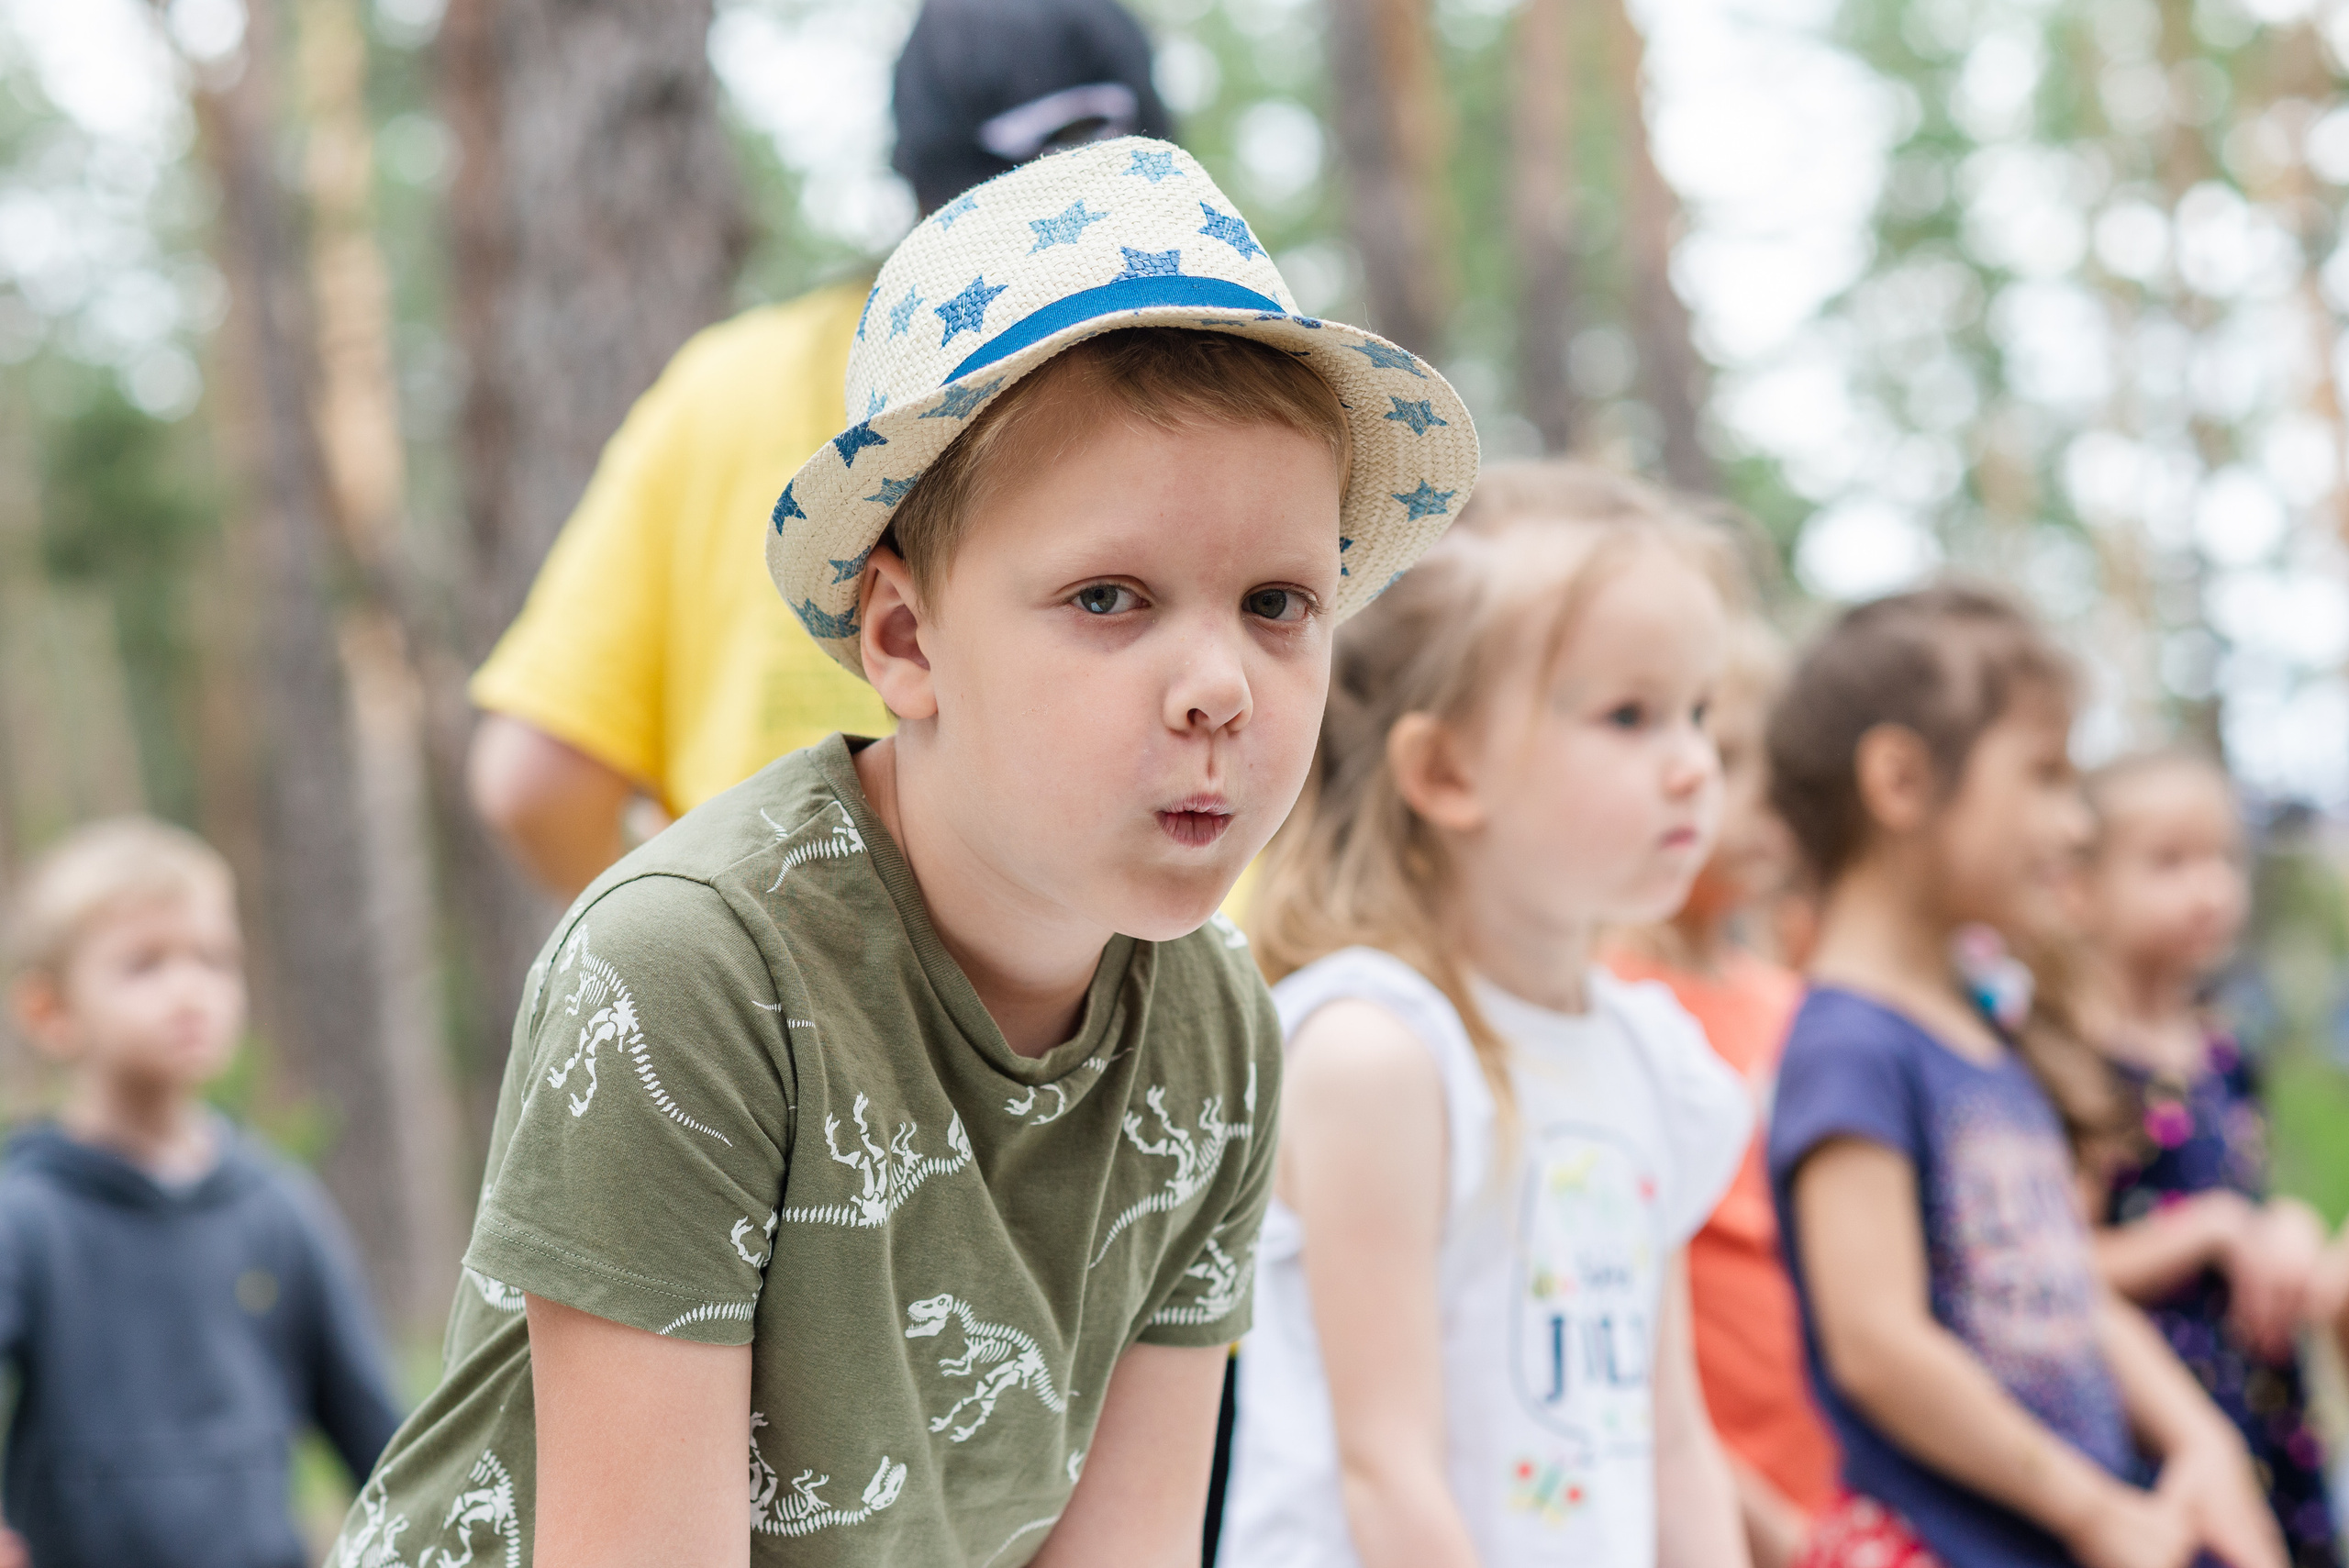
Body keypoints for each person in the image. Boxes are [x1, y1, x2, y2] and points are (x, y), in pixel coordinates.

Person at [329, 137, 1480, 1567]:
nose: (1220, 684)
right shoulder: (694, 976)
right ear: (904, 638)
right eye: (1111, 596)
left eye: (1278, 602)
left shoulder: (1218, 1031)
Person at [467, 0, 1174, 898]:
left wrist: (676, 968)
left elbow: (531, 780)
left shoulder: (732, 388)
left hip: (786, 1001)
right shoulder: (1218, 400)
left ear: (916, 173)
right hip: (1171, 997)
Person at [1223, 461, 1753, 1568]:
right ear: (1446, 767)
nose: (1694, 766)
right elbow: (1385, 1469)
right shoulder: (1377, 1051)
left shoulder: (1656, 1060)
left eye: (1700, 715)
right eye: (1628, 715)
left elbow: (1671, 1440)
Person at [1762, 585, 2284, 1568]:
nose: (2072, 824)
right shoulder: (1848, 1045)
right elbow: (1876, 1341)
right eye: (2043, 775)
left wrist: (2199, 1442)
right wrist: (2089, 1507)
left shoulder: (1981, 1035)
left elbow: (2062, 1286)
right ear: (1900, 779)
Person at [0, 817, 402, 1568]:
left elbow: (375, 1431)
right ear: (49, 1013)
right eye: (144, 965)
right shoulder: (26, 1215)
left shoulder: (276, 1205)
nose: (191, 991)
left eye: (215, 961)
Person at [1607, 588, 1840, 1568]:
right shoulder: (1606, 1006)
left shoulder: (1797, 1006)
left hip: (1835, 1497)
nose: (1727, 787)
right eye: (1723, 750)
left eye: (1762, 764)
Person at [2073, 751, 2342, 1567]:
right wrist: (2208, 1232)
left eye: (2223, 858)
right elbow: (2056, 1266)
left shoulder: (2225, 1055)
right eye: (2168, 862)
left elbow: (2253, 1197)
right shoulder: (2078, 1067)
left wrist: (2286, 1227)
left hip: (2264, 1413)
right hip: (2152, 1428)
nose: (2209, 887)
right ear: (2079, 888)